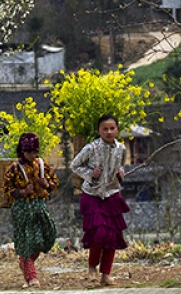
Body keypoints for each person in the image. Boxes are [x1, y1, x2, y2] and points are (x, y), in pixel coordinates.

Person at [71, 114, 131, 286]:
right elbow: (74, 165)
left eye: (112, 128)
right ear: (99, 131)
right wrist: (90, 174)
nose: (109, 132)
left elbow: (120, 165)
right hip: (93, 194)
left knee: (112, 235)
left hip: (112, 194)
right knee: (100, 233)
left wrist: (121, 173)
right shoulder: (91, 148)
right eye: (105, 129)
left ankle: (106, 274)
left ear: (117, 129)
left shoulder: (121, 148)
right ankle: (92, 267)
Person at [3, 132, 59, 288]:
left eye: (35, 152)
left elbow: (55, 181)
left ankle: (25, 262)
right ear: (22, 151)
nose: (32, 155)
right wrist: (22, 192)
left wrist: (46, 184)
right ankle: (31, 276)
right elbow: (6, 189)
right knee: (28, 242)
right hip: (22, 209)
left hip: (39, 206)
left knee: (45, 236)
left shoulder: (41, 164)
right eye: (29, 152)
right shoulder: (14, 168)